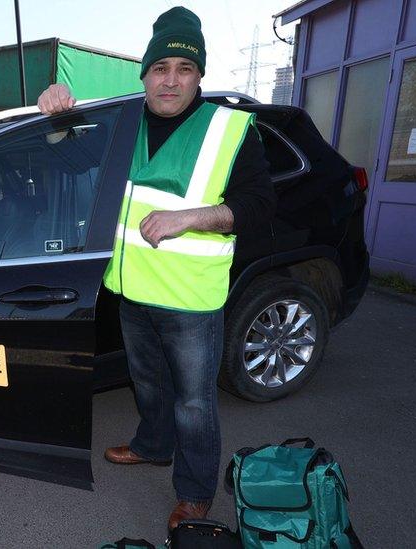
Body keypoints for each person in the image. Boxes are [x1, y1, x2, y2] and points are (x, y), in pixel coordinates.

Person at [37, 6, 276, 531]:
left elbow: (261, 206)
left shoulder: (232, 129)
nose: (171, 80)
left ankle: (194, 495)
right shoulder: (123, 124)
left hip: (191, 299)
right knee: (147, 382)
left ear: (199, 75)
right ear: (144, 73)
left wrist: (195, 216)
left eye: (184, 69)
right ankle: (151, 446)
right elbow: (76, 164)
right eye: (160, 68)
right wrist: (57, 118)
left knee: (194, 403)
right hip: (132, 290)